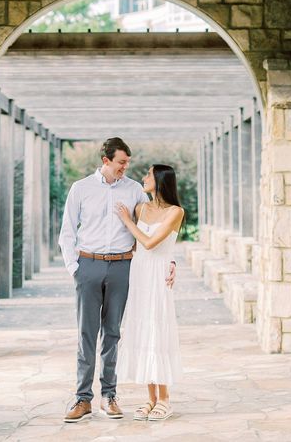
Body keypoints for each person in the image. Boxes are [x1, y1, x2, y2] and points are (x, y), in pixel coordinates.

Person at [58, 137, 176, 423]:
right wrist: (75, 269)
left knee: (112, 334)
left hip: (123, 268)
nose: (126, 167)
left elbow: (157, 225)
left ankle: (109, 396)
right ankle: (82, 399)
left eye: (128, 163)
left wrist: (172, 261)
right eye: (121, 162)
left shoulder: (135, 190)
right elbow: (67, 232)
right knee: (86, 335)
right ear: (106, 160)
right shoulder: (81, 188)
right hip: (88, 265)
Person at [115, 164, 184, 422]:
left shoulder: (176, 211)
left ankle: (165, 399)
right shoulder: (141, 208)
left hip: (158, 276)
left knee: (158, 331)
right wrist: (130, 219)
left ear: (160, 180)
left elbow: (150, 242)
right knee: (143, 332)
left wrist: (126, 221)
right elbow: (137, 246)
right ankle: (151, 398)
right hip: (140, 273)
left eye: (148, 174)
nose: (144, 178)